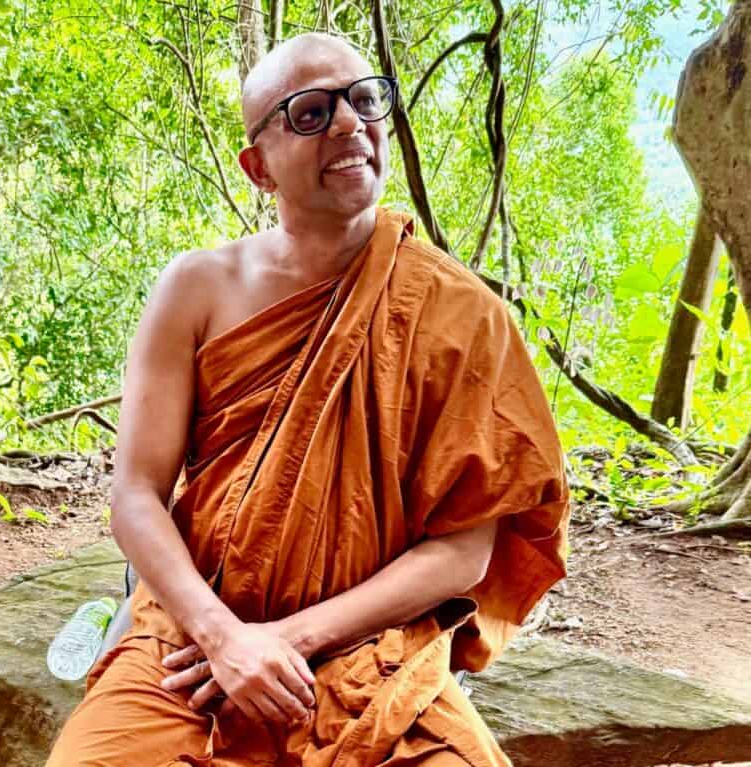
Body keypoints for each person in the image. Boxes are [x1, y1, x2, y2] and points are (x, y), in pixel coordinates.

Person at [46, 32, 569, 767]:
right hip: (193, 637)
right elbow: (135, 494)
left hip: (376, 649)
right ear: (258, 167)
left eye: (365, 99)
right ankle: (128, 619)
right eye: (311, 112)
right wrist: (224, 637)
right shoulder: (197, 289)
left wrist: (286, 640)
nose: (350, 123)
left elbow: (464, 551)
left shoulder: (460, 313)